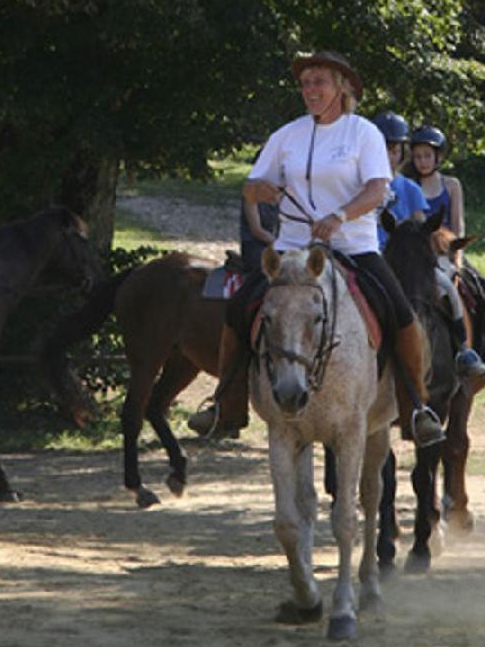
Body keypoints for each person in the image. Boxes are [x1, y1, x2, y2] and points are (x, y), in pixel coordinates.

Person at [188, 52, 444, 446]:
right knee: (240, 309)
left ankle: (415, 408)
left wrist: (340, 215)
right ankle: (227, 404)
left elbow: (378, 188)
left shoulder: (363, 134)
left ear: (342, 87)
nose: (310, 90)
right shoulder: (285, 136)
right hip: (293, 250)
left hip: (354, 246)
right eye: (305, 83)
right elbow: (251, 188)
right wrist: (263, 190)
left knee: (402, 313)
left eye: (319, 81)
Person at [404, 123, 485, 378]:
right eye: (417, 156)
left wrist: (457, 255)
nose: (422, 161)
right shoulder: (409, 186)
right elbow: (417, 223)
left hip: (449, 250)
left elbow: (457, 222)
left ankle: (483, 350)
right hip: (422, 253)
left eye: (427, 156)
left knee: (484, 289)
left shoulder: (451, 185)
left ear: (438, 156)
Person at [372, 111, 429, 250]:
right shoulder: (359, 185)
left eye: (394, 152)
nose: (388, 157)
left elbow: (422, 228)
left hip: (400, 256)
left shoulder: (411, 189)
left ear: (403, 152)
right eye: (383, 151)